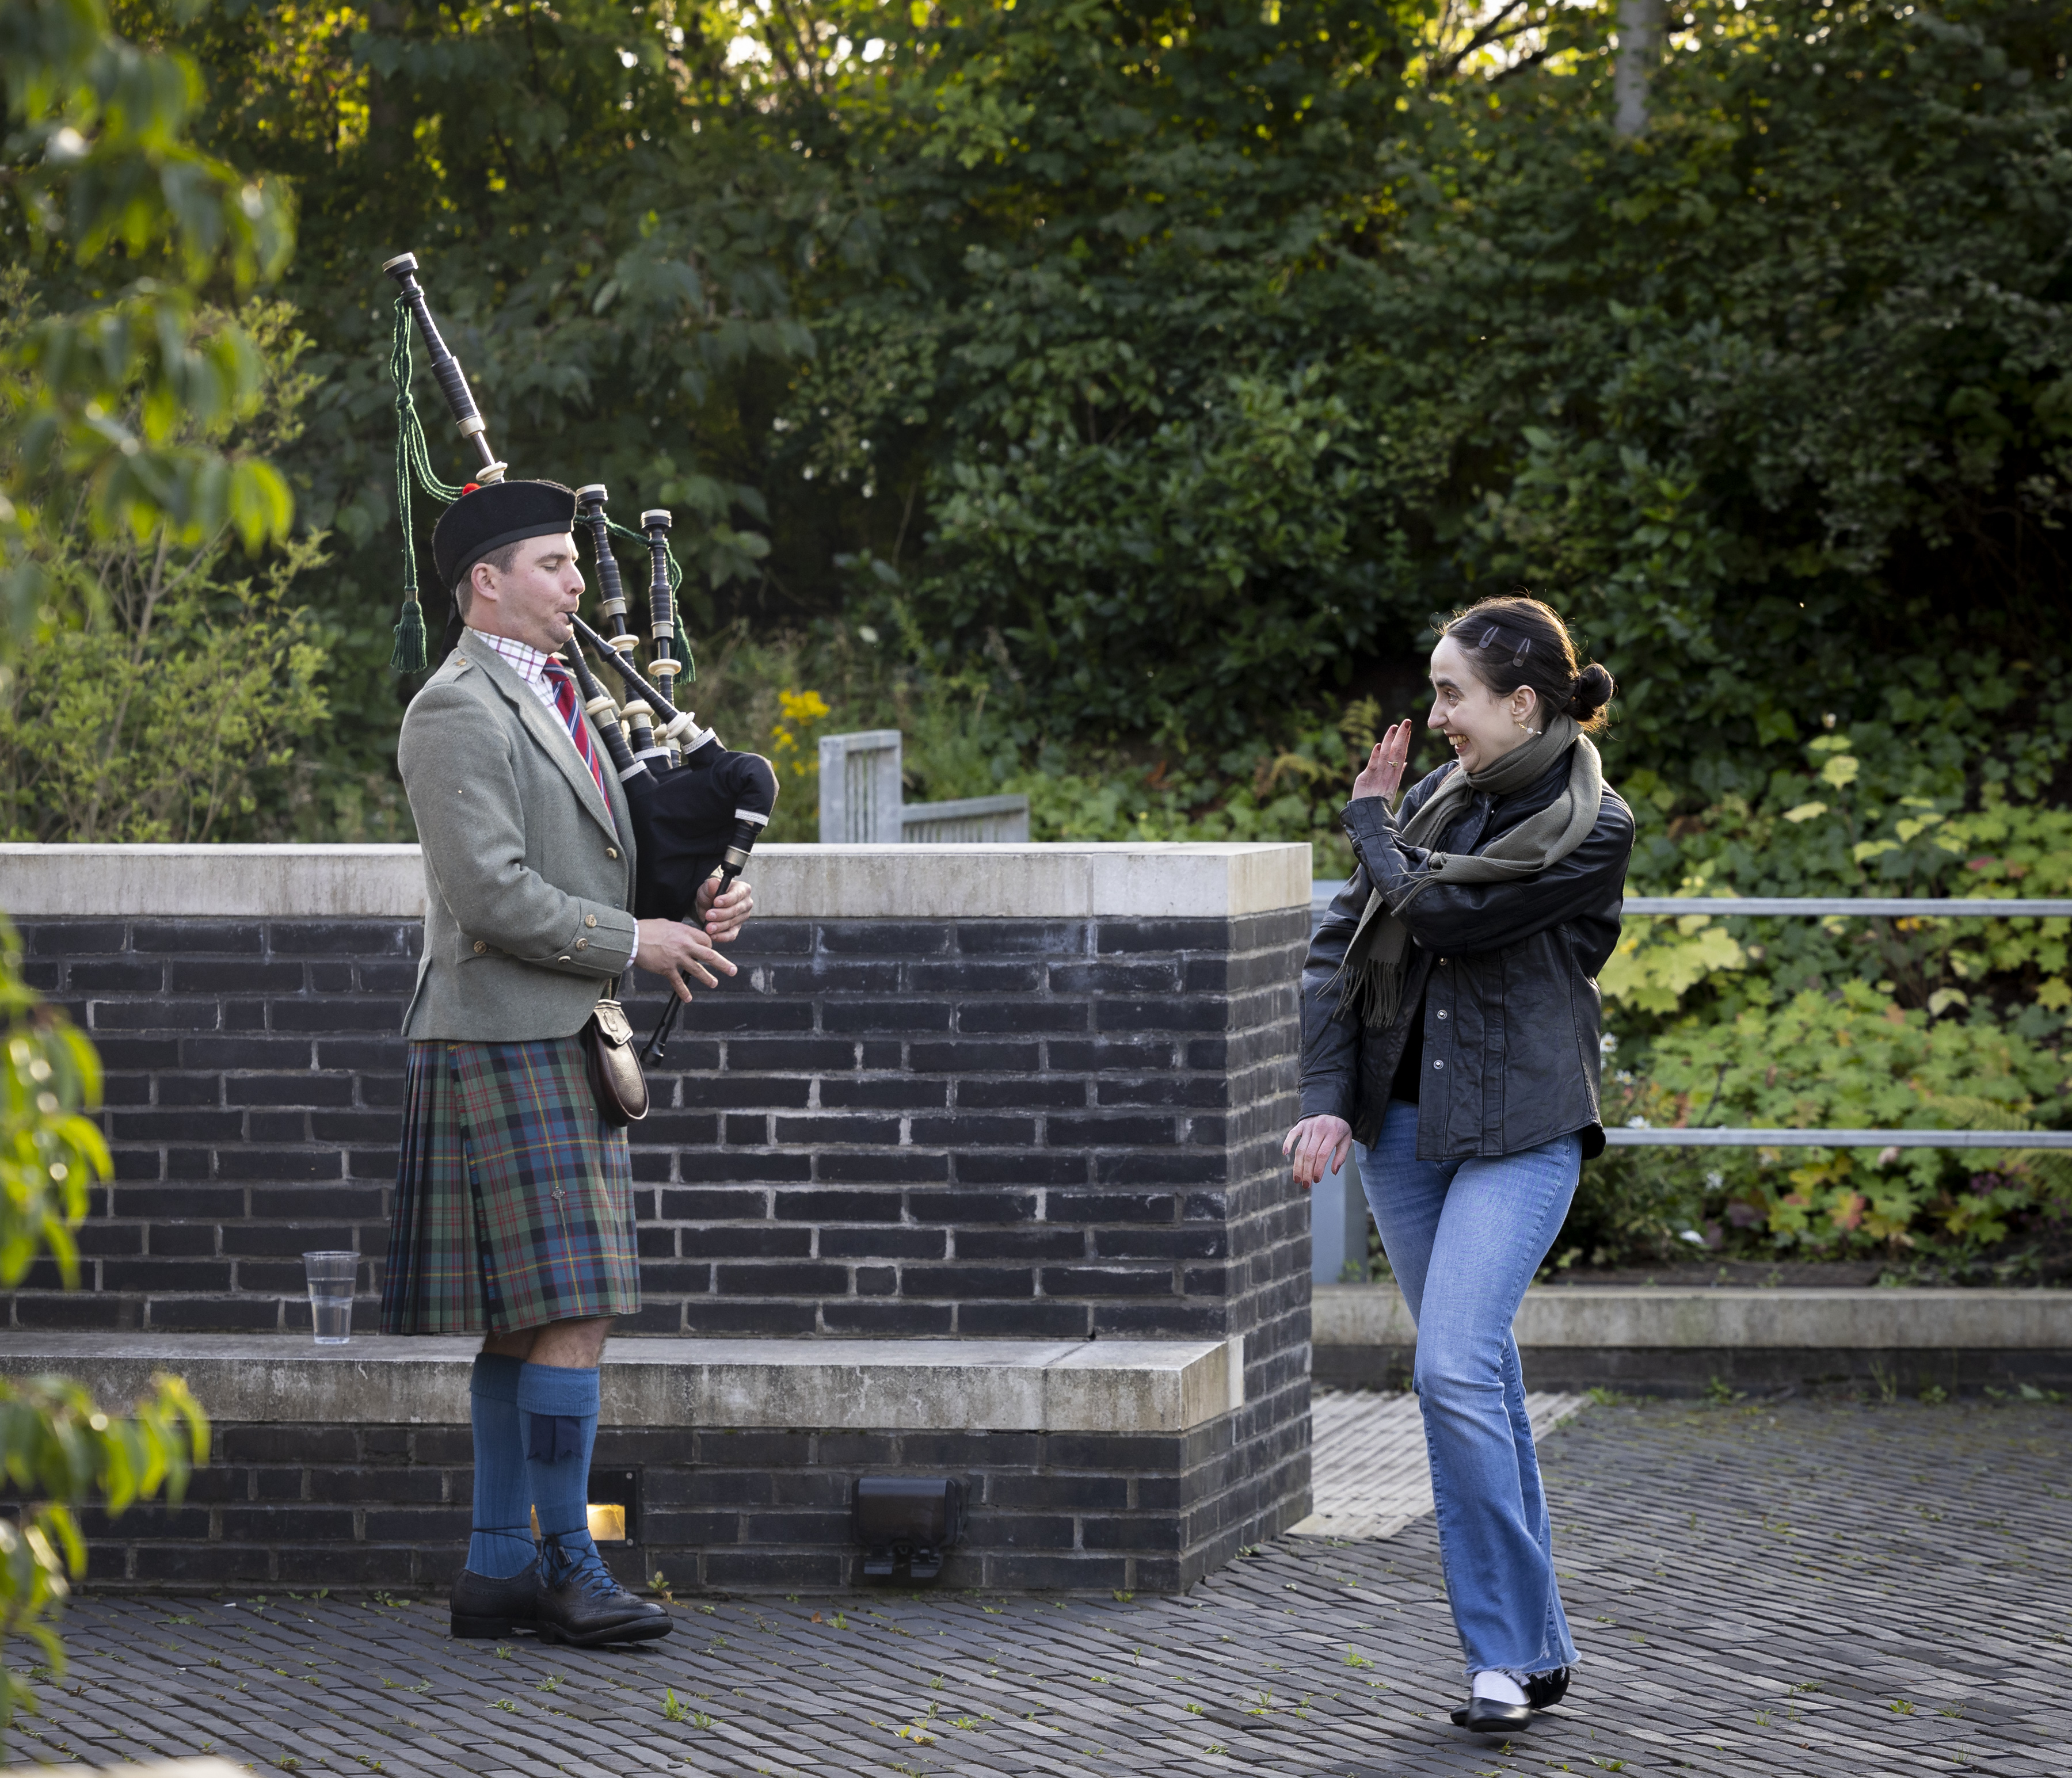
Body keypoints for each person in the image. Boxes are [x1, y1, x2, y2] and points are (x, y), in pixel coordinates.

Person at [380, 477, 753, 1647]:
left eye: (575, 565)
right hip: (503, 1030)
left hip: (553, 1029)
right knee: (574, 1309)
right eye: (553, 565)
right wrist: (634, 942)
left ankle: (499, 1569)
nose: (579, 582)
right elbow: (489, 891)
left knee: (521, 1316)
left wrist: (683, 897)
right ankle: (565, 1561)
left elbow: (599, 856)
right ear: (485, 583)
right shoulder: (455, 709)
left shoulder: (556, 698)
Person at [1283, 594, 1632, 1737]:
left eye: (1451, 694)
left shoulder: (1593, 825)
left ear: (1521, 703)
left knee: (1448, 1374)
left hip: (1523, 1132)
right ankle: (1531, 1650)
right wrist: (1330, 1103)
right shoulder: (1437, 800)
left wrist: (1372, 827)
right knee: (1474, 1378)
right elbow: (1340, 950)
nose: (1434, 717)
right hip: (1408, 1140)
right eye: (1434, 691)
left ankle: (1497, 1659)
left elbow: (1446, 921)